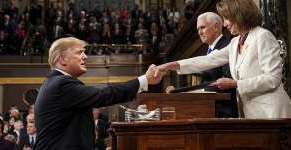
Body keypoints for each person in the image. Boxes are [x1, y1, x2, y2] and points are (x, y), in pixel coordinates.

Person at [156, 0, 291, 118]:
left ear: (239, 15)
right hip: (250, 114)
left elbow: (273, 78)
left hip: (272, 113)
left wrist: (236, 84)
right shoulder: (235, 42)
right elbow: (207, 60)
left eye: (226, 18)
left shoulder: (262, 36)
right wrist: (168, 66)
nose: (225, 24)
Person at [34, 37, 163, 150]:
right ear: (62, 59)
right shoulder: (61, 84)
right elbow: (103, 95)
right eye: (80, 52)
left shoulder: (55, 82)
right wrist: (145, 79)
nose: (85, 56)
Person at [197, 12, 238, 118]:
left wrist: (200, 91)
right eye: (198, 29)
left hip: (225, 111)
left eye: (202, 27)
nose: (199, 32)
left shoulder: (227, 45)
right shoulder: (208, 49)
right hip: (211, 108)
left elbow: (229, 79)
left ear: (216, 27)